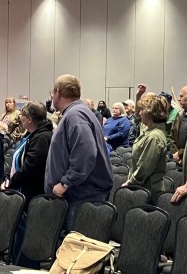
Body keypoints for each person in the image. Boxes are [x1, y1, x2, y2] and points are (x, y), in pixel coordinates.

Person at [45, 74, 113, 230]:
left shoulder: (75, 115)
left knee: (77, 250)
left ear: (58, 92)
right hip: (80, 195)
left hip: (81, 197)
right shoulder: (77, 112)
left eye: (52, 93)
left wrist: (65, 182)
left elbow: (86, 153)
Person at [9, 101, 54, 204]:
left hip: (33, 194)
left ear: (29, 119)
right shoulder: (31, 134)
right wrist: (8, 177)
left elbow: (30, 167)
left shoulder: (42, 137)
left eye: (22, 114)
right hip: (24, 188)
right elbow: (17, 158)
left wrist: (11, 182)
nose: (20, 116)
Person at [124, 93, 168, 195]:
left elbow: (145, 167)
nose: (139, 113)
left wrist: (130, 182)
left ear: (150, 113)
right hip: (143, 188)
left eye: (142, 110)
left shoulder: (154, 136)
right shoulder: (149, 130)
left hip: (148, 191)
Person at [170, 85, 187, 163]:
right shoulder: (179, 114)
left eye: (181, 96)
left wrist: (180, 154)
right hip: (177, 158)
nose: (179, 99)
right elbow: (172, 136)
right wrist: (175, 153)